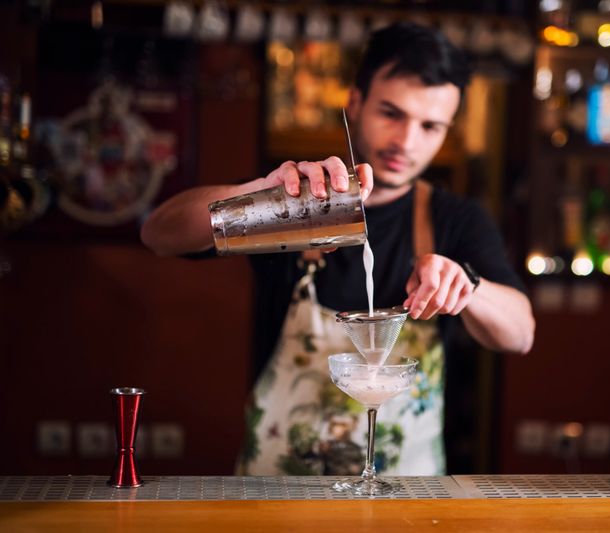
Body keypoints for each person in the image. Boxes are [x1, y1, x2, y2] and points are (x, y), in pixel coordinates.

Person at [141, 21, 534, 476]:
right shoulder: (296, 199)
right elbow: (158, 234)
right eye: (392, 113)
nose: (407, 142)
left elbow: (520, 334)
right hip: (278, 496)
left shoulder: (455, 220)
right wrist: (258, 195)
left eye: (430, 126)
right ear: (355, 102)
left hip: (405, 501)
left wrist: (467, 286)